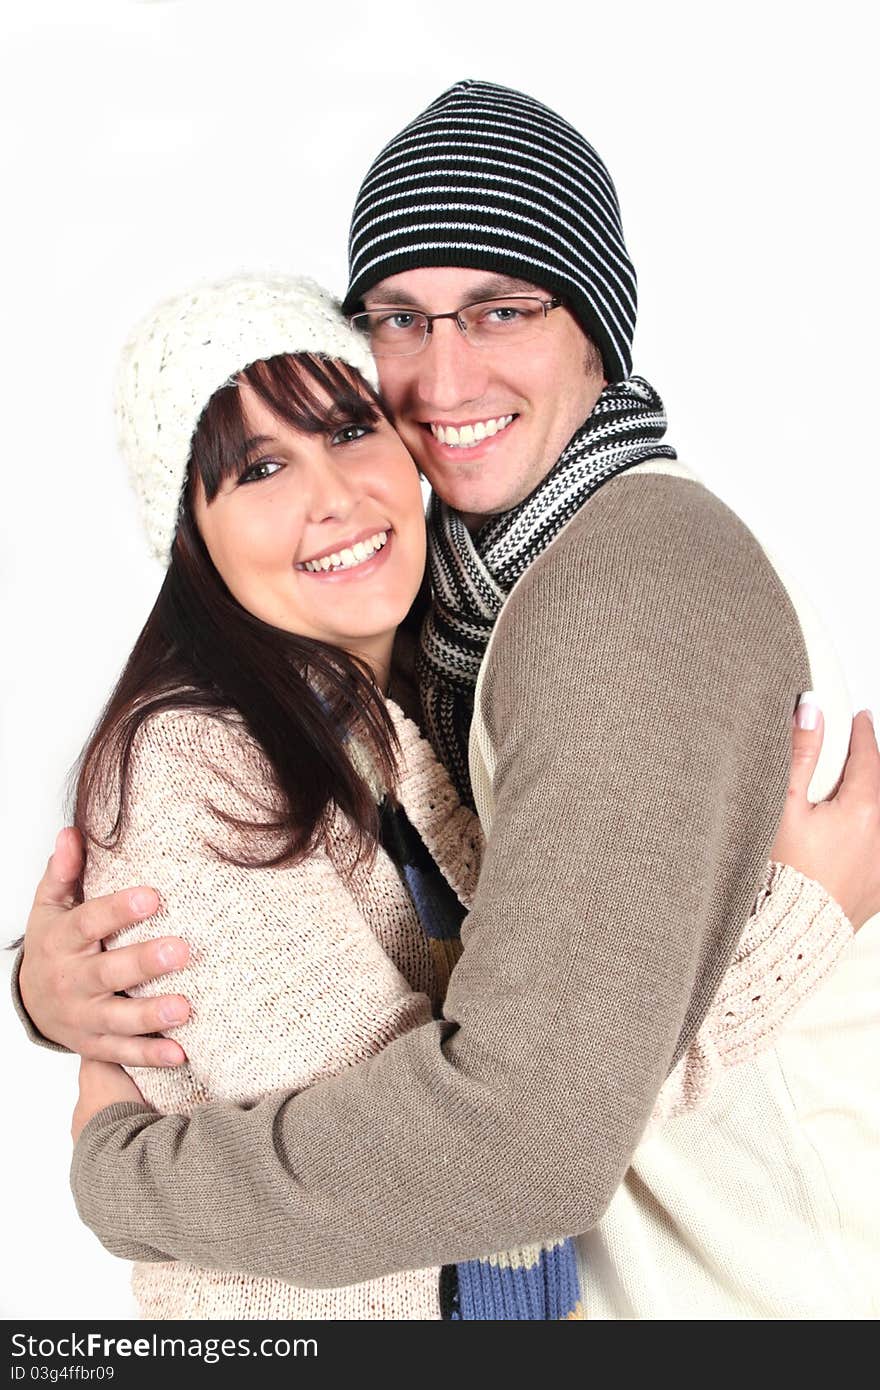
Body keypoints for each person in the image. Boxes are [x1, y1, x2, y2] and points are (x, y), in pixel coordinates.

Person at [15, 81, 880, 1318]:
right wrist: (46, 984)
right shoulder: (423, 647)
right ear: (185, 532)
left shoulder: (609, 592)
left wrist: (118, 1178)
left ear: (596, 328)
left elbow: (518, 1131)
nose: (442, 374)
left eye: (501, 308)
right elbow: (494, 1124)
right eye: (400, 323)